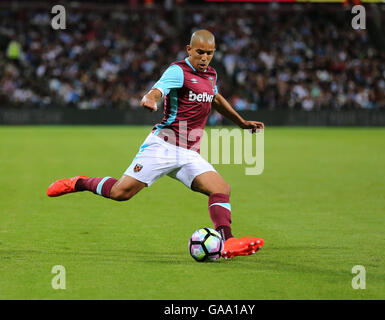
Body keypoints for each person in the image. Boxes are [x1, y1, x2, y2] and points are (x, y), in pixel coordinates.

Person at [47, 30, 265, 259]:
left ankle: (228, 241)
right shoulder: (178, 71)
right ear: (189, 49)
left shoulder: (211, 75)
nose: (204, 57)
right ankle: (79, 183)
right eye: (200, 52)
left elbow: (216, 98)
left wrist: (241, 122)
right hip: (163, 146)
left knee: (221, 189)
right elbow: (157, 90)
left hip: (189, 152)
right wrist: (150, 99)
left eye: (209, 53)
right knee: (121, 193)